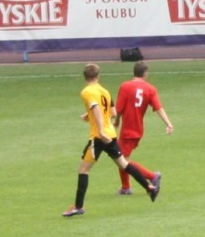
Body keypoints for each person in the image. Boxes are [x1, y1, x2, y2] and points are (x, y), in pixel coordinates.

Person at [63, 64, 161, 217]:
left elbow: (96, 109)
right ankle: (150, 188)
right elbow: (113, 113)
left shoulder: (87, 92)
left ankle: (78, 206)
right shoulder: (105, 91)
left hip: (99, 137)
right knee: (124, 164)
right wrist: (89, 116)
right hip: (111, 135)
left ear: (85, 77)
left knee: (83, 170)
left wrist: (100, 129)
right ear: (98, 76)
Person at [113, 61, 173, 195]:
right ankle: (126, 187)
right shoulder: (150, 89)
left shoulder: (125, 86)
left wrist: (116, 122)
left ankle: (152, 176)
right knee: (121, 158)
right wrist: (168, 123)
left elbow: (119, 109)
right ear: (145, 74)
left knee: (122, 160)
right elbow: (158, 108)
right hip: (138, 129)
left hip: (128, 130)